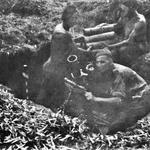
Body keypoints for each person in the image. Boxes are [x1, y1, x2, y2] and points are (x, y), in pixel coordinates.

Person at [65, 48, 150, 134]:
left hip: (141, 99)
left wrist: (95, 99)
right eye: (97, 62)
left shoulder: (119, 73)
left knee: (114, 126)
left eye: (103, 62)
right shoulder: (105, 71)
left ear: (111, 62)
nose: (99, 65)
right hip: (128, 96)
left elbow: (119, 100)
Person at [36, 4, 91, 111]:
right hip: (56, 70)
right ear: (67, 17)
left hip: (51, 67)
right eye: (73, 18)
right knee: (52, 98)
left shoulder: (61, 27)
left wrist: (78, 39)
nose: (75, 21)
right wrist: (88, 52)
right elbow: (74, 50)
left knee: (45, 94)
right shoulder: (61, 34)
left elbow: (68, 44)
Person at [104, 0, 148, 66]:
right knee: (108, 52)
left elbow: (128, 41)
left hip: (137, 47)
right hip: (125, 44)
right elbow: (117, 28)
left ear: (132, 8)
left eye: (123, 10)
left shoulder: (140, 22)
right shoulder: (125, 17)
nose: (121, 11)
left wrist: (110, 46)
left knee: (114, 54)